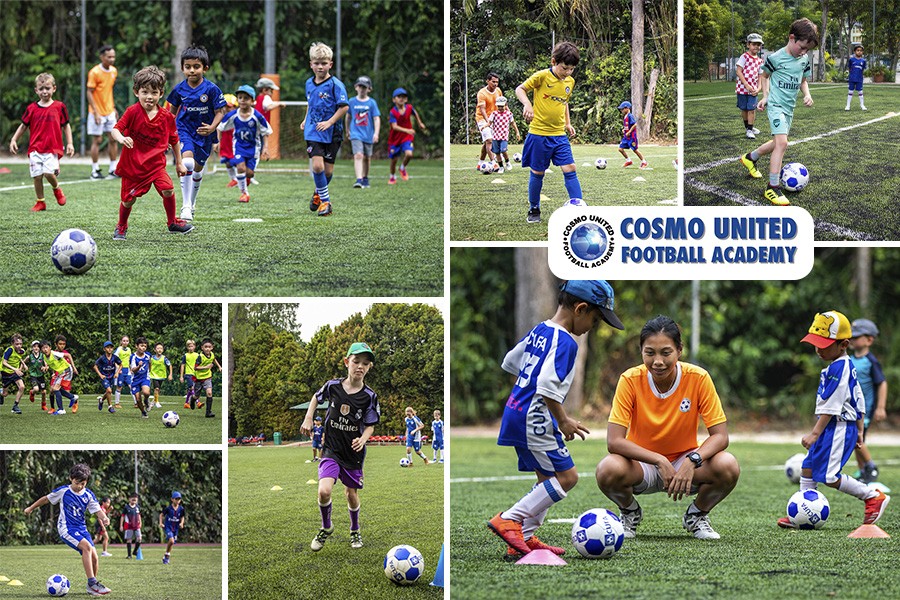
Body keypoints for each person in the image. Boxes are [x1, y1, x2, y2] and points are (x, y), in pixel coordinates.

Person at [488, 280, 625, 556]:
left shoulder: (540, 330)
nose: (592, 327)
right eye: (595, 319)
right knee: (567, 477)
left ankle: (524, 537)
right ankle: (510, 519)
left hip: (517, 411)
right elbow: (547, 387)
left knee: (547, 478)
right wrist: (563, 420)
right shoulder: (566, 342)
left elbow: (510, 361)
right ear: (581, 309)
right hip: (535, 418)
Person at [596, 315, 740, 540]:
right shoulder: (630, 379)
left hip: (685, 462)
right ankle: (629, 512)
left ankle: (697, 515)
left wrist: (692, 460)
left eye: (666, 352)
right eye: (650, 353)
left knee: (728, 465)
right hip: (642, 464)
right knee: (607, 470)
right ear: (641, 351)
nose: (658, 361)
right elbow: (614, 442)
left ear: (679, 350)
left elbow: (720, 437)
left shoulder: (698, 378)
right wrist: (659, 460)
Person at [777, 311, 889, 529]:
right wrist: (860, 431)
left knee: (829, 476)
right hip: (835, 427)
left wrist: (815, 433)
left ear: (843, 344)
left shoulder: (840, 368)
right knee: (808, 467)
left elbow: (833, 405)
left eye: (824, 345)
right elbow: (858, 399)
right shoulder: (841, 365)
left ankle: (872, 496)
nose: (818, 350)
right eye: (815, 345)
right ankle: (804, 513)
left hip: (838, 427)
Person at [300, 342, 380, 551]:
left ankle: (355, 530)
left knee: (350, 494)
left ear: (369, 367)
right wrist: (308, 418)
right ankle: (326, 527)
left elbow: (370, 425)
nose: (360, 366)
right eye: (356, 361)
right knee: (324, 491)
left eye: (365, 363)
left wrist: (363, 439)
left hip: (353, 453)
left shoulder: (369, 396)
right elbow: (315, 398)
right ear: (346, 362)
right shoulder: (333, 386)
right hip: (331, 449)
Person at [740, 18, 818, 206]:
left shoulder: (803, 60)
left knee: (777, 142)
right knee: (782, 143)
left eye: (807, 50)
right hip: (776, 106)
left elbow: (803, 81)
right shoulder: (775, 58)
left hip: (789, 108)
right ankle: (772, 187)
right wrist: (766, 96)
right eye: (802, 47)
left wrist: (807, 94)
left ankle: (750, 158)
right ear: (792, 38)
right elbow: (764, 76)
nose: (804, 52)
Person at [110, 65, 192, 240]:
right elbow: (115, 130)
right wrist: (121, 138)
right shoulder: (132, 112)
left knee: (168, 189)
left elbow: (174, 140)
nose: (149, 96)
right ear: (136, 92)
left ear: (161, 94)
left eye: (154, 93)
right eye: (145, 92)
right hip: (133, 167)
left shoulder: (167, 117)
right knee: (128, 200)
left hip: (156, 166)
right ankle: (121, 226)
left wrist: (179, 162)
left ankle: (172, 222)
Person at [515, 41, 585, 224]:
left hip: (559, 135)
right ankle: (534, 208)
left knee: (570, 168)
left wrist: (568, 123)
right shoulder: (542, 76)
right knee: (538, 172)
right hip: (539, 134)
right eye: (564, 68)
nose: (568, 72)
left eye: (572, 69)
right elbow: (520, 89)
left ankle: (579, 207)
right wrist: (527, 104)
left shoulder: (570, 82)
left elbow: (564, 102)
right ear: (554, 61)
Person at [24, 463, 112, 596]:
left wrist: (104, 518)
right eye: (77, 483)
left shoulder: (88, 494)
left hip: (82, 529)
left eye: (83, 483)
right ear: (71, 478)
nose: (80, 486)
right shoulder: (63, 491)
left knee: (94, 557)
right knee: (87, 548)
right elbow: (46, 499)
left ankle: (91, 587)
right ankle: (93, 583)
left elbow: (97, 510)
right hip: (67, 528)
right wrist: (31, 508)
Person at [167, 45, 227, 222]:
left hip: (205, 133)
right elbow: (171, 114)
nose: (192, 70)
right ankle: (185, 205)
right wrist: (167, 133)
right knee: (187, 162)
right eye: (188, 67)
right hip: (184, 130)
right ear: (182, 68)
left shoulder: (211, 89)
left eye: (196, 66)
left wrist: (212, 127)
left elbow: (220, 112)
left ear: (205, 68)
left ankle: (192, 203)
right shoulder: (179, 89)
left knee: (198, 170)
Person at [8, 73, 74, 211]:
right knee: (37, 176)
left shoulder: (59, 107)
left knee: (49, 174)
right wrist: (14, 139)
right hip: (35, 148)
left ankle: (56, 189)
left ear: (54, 88)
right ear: (36, 90)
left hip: (52, 148)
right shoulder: (31, 108)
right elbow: (23, 126)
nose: (44, 91)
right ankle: (41, 202)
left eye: (47, 88)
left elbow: (66, 125)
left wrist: (70, 143)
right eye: (41, 88)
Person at [303, 42, 349, 217]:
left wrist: (330, 122)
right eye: (317, 63)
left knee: (327, 172)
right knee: (317, 166)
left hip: (332, 132)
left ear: (330, 64)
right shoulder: (309, 83)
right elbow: (311, 103)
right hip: (313, 131)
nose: (320, 66)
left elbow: (344, 107)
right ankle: (326, 202)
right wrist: (305, 119)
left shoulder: (336, 85)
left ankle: (318, 192)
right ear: (311, 64)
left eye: (324, 63)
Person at [217, 85, 272, 203]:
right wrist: (217, 142)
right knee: (240, 167)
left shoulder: (257, 116)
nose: (242, 100)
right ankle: (244, 194)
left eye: (246, 98)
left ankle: (246, 179)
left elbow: (266, 132)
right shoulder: (233, 115)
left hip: (253, 149)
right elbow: (220, 127)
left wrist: (265, 148)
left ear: (252, 101)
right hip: (239, 147)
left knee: (250, 173)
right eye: (240, 97)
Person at [849, 318, 887, 483]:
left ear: (869, 340)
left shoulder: (871, 362)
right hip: (851, 408)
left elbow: (882, 383)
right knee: (856, 441)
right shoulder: (850, 359)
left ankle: (871, 467)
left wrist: (880, 407)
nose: (852, 340)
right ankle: (862, 470)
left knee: (856, 438)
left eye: (856, 337)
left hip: (865, 409)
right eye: (851, 337)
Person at [87, 45, 119, 180]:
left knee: (113, 138)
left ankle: (113, 169)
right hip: (97, 112)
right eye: (109, 57)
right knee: (97, 140)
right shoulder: (94, 72)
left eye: (113, 57)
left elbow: (108, 91)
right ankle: (95, 170)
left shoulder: (114, 71)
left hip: (109, 111)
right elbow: (89, 92)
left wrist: (113, 107)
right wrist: (95, 112)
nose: (112, 59)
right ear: (102, 57)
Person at [387, 88, 428, 185]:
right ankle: (392, 176)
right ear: (394, 99)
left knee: (409, 154)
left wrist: (420, 123)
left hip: (406, 137)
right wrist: (408, 130)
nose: (401, 98)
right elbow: (394, 127)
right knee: (394, 160)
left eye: (403, 97)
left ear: (406, 99)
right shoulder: (393, 112)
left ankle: (402, 168)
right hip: (395, 139)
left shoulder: (409, 108)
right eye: (399, 97)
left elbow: (415, 113)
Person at [346, 75, 381, 189]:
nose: (362, 89)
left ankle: (365, 178)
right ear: (356, 87)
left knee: (367, 157)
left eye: (364, 87)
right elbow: (348, 117)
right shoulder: (351, 101)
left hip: (368, 134)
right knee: (358, 155)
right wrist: (347, 130)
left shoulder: (372, 103)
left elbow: (376, 118)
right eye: (360, 86)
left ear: (369, 89)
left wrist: (376, 133)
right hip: (356, 133)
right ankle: (359, 179)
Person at [736, 33, 764, 139]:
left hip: (753, 90)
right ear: (748, 45)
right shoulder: (744, 57)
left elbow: (760, 75)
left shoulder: (760, 61)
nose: (756, 46)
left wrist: (759, 88)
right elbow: (739, 71)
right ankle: (748, 128)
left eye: (758, 44)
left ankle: (750, 129)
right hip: (742, 89)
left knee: (752, 109)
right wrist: (746, 85)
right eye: (754, 44)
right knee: (744, 109)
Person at [41, 340, 78, 415]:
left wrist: (74, 368)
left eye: (46, 347)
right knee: (53, 389)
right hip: (61, 372)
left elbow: (68, 355)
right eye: (43, 348)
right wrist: (45, 368)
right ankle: (72, 397)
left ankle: (61, 409)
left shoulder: (54, 353)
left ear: (50, 348)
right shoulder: (44, 357)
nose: (45, 349)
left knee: (56, 388)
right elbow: (51, 365)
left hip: (66, 370)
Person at [487, 96, 520, 173]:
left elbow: (513, 123)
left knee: (503, 150)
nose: (500, 108)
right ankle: (501, 167)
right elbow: (489, 122)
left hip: (504, 136)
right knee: (497, 152)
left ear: (505, 105)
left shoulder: (509, 114)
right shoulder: (494, 114)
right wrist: (485, 126)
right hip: (495, 136)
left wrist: (517, 132)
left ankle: (507, 161)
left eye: (502, 106)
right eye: (499, 106)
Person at [475, 73, 502, 168]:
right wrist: (488, 122)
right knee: (490, 140)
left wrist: (508, 113)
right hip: (482, 119)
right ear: (487, 81)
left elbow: (503, 104)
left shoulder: (498, 91)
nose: (495, 84)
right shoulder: (482, 93)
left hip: (494, 119)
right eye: (493, 81)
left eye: (497, 82)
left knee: (487, 142)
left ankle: (480, 163)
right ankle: (494, 163)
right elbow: (482, 109)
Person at [215, 94, 239, 187]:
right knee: (227, 161)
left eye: (229, 107)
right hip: (225, 141)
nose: (226, 109)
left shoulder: (238, 117)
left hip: (234, 141)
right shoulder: (220, 117)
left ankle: (244, 177)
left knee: (237, 160)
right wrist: (217, 141)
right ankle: (234, 179)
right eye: (224, 106)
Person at [192, 338, 220, 418]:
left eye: (209, 347)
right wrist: (206, 367)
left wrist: (219, 367)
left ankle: (208, 412)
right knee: (196, 396)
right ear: (202, 348)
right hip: (198, 379)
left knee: (209, 393)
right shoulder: (200, 357)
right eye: (206, 347)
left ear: (212, 347)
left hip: (207, 377)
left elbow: (214, 359)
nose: (207, 349)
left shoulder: (212, 354)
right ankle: (192, 399)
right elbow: (195, 368)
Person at [1, 334, 28, 414]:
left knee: (22, 386)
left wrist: (24, 364)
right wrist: (15, 369)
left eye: (20, 344)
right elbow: (4, 362)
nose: (19, 346)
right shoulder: (9, 350)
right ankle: (1, 393)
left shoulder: (22, 351)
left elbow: (19, 358)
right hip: (5, 372)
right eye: (17, 344)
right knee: (5, 394)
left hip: (14, 373)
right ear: (12, 344)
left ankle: (15, 406)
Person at [617, 101, 648, 169]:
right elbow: (627, 125)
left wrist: (629, 132)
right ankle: (629, 161)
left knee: (635, 150)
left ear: (627, 108)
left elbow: (634, 124)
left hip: (631, 137)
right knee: (620, 149)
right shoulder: (625, 116)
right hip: (626, 137)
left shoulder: (630, 116)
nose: (621, 110)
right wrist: (624, 130)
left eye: (622, 109)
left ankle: (644, 162)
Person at [93, 341, 121, 413]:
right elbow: (95, 366)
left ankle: (101, 400)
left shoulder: (114, 357)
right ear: (104, 349)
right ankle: (110, 406)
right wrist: (100, 375)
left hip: (112, 377)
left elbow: (121, 365)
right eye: (107, 347)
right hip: (104, 377)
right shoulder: (102, 358)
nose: (109, 349)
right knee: (109, 390)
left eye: (111, 347)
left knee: (108, 391)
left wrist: (117, 372)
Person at [55, 335, 80, 413]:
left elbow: (68, 360)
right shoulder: (53, 353)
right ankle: (57, 408)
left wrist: (74, 368)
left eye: (64, 344)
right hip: (58, 374)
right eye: (60, 344)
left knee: (58, 389)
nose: (62, 346)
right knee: (54, 389)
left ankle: (72, 401)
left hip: (66, 374)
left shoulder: (65, 354)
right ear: (56, 344)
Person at [159, 491, 186, 565]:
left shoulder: (181, 509)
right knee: (171, 541)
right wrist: (161, 523)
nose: (177, 501)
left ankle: (166, 555)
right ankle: (167, 556)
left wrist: (181, 523)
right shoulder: (168, 508)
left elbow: (182, 517)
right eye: (176, 499)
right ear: (172, 499)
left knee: (172, 543)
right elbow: (161, 515)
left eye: (179, 499)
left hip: (176, 528)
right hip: (168, 527)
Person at [130, 336, 152, 418]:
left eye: (145, 346)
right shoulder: (133, 357)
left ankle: (146, 400)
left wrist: (149, 371)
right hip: (135, 380)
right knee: (138, 399)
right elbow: (133, 370)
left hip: (144, 378)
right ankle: (143, 412)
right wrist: (139, 366)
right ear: (136, 346)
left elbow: (150, 363)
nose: (143, 348)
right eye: (141, 346)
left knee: (146, 392)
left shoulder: (148, 355)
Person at [25, 340, 49, 411]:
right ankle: (32, 393)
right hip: (33, 376)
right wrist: (22, 368)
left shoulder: (42, 356)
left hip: (41, 376)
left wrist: (45, 368)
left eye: (38, 346)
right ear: (32, 348)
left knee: (44, 392)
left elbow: (47, 365)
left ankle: (43, 405)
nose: (36, 348)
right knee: (36, 389)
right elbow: (23, 362)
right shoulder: (30, 356)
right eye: (34, 346)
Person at [149, 342, 172, 409]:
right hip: (154, 375)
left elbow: (169, 365)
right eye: (158, 348)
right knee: (156, 388)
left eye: (161, 348)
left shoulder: (164, 358)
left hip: (161, 376)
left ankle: (153, 401)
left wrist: (170, 374)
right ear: (154, 350)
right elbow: (149, 365)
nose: (159, 350)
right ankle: (156, 402)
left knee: (158, 390)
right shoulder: (151, 358)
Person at [120, 492, 143, 559]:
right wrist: (121, 525)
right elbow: (122, 516)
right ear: (129, 499)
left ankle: (135, 551)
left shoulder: (137, 507)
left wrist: (140, 522)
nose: (134, 500)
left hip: (136, 525)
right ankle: (129, 555)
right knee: (129, 539)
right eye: (132, 499)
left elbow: (139, 515)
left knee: (139, 538)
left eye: (135, 499)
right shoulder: (126, 507)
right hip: (129, 526)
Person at [846, 43, 867, 111]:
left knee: (860, 92)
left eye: (861, 50)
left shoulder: (863, 61)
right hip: (852, 78)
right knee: (850, 91)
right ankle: (848, 105)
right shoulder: (851, 60)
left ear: (862, 52)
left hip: (859, 79)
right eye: (858, 50)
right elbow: (849, 68)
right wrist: (852, 74)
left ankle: (862, 105)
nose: (859, 52)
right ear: (855, 51)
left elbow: (863, 69)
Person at [114, 336, 132, 407]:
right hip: (121, 370)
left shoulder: (129, 349)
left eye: (127, 341)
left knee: (131, 386)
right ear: (121, 342)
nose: (125, 342)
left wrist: (131, 368)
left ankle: (136, 403)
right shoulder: (119, 349)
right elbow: (114, 359)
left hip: (127, 370)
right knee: (119, 387)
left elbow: (129, 360)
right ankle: (117, 403)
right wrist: (118, 369)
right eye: (124, 341)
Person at [180, 339, 199, 410]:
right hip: (188, 374)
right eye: (189, 346)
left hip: (196, 374)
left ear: (194, 346)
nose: (191, 348)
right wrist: (181, 376)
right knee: (192, 388)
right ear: (187, 347)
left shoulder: (197, 355)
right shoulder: (186, 355)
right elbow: (182, 365)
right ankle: (198, 402)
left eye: (192, 346)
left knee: (191, 389)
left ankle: (186, 403)